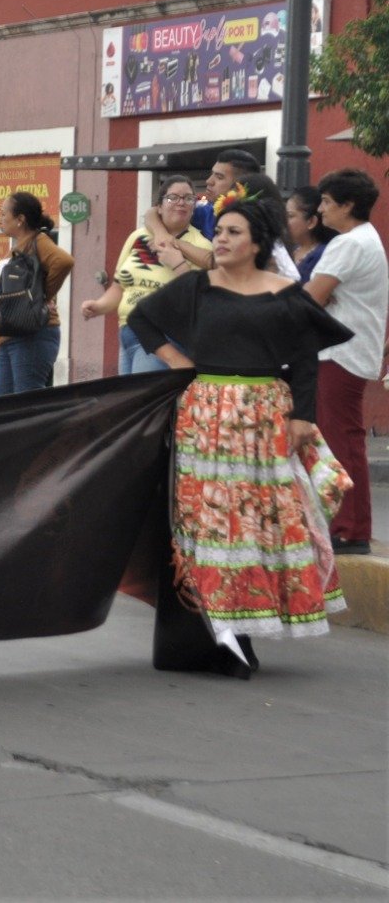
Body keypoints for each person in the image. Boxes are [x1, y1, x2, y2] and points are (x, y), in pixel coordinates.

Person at [128, 188, 352, 678]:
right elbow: (141, 318)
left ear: (257, 244)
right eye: (219, 231)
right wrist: (177, 360)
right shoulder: (196, 287)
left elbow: (308, 357)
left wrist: (302, 416)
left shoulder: (284, 293)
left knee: (255, 523)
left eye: (233, 233)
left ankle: (245, 627)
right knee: (208, 522)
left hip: (264, 417)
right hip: (205, 414)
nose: (221, 239)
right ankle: (208, 636)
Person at [305, 169, 387, 556]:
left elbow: (311, 298)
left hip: (339, 352)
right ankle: (350, 526)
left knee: (341, 442)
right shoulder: (365, 240)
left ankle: (350, 528)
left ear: (347, 205)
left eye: (325, 202)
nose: (320, 210)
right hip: (351, 350)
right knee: (345, 440)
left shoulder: (349, 244)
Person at [80, 175, 211, 374]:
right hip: (127, 332)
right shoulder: (138, 236)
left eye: (188, 198)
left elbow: (195, 300)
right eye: (173, 197)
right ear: (159, 206)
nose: (181, 203)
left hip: (162, 335)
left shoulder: (200, 247)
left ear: (194, 206)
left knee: (144, 399)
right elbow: (119, 286)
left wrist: (177, 263)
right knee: (131, 399)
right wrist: (98, 306)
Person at [161, 156, 300, 280]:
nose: (209, 181)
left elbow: (214, 263)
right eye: (218, 231)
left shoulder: (273, 258)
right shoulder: (206, 212)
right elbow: (155, 212)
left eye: (234, 231)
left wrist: (177, 258)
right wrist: (162, 234)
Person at [0, 191, 74, 395]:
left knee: (25, 402)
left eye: (4, 214)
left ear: (20, 219)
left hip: (33, 334)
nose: (1, 219)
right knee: (2, 406)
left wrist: (41, 297)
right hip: (11, 337)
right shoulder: (19, 247)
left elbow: (64, 262)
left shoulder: (39, 241)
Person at [287, 186, 336, 284]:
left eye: (290, 216)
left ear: (311, 222)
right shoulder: (291, 248)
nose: (284, 221)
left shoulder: (323, 255)